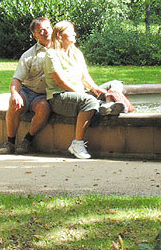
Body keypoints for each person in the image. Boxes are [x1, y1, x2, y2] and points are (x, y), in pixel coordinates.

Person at [44, 20, 125, 159]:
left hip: (79, 94)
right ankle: (77, 144)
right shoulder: (51, 54)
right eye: (70, 31)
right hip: (59, 97)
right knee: (89, 101)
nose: (74, 34)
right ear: (59, 35)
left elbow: (85, 77)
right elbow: (61, 81)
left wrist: (96, 89)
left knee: (116, 84)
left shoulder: (77, 53)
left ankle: (107, 105)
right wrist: (81, 93)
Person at [0, 17, 53, 155]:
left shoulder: (61, 50)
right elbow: (16, 80)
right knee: (14, 103)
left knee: (44, 107)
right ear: (35, 36)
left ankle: (27, 141)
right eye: (41, 30)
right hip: (27, 91)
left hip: (43, 95)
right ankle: (10, 142)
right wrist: (15, 94)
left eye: (48, 28)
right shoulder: (28, 55)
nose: (46, 32)